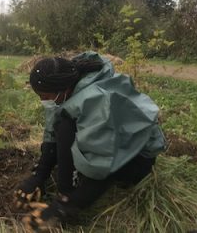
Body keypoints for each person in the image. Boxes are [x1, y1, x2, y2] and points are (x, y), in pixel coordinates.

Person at [14, 51, 165, 231]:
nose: (43, 101)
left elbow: (102, 166)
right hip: (111, 143)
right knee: (63, 125)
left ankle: (67, 194)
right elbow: (51, 132)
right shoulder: (67, 89)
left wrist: (63, 206)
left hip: (136, 158)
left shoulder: (98, 102)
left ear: (61, 89)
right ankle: (68, 190)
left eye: (45, 96)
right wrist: (39, 176)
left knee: (66, 129)